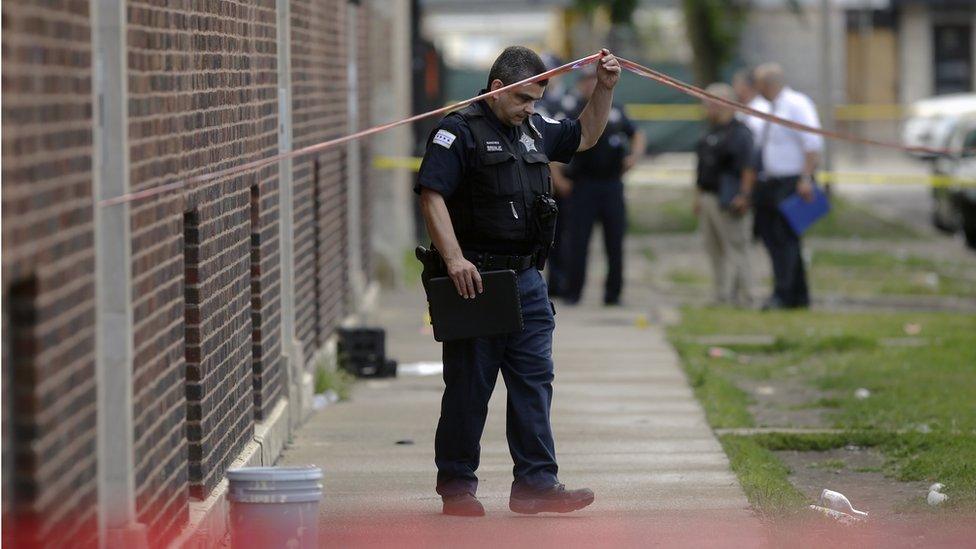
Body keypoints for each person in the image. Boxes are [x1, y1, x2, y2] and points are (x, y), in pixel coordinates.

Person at [414, 46, 621, 516]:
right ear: (497, 88)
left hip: (527, 280)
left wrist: (604, 88)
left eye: (537, 100)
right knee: (470, 386)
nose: (532, 108)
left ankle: (536, 485)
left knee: (533, 383)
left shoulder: (531, 128)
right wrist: (454, 259)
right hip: (477, 280)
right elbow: (432, 196)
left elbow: (585, 136)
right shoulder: (457, 131)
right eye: (525, 98)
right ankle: (457, 487)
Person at [560, 65, 645, 306]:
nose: (591, 84)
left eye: (594, 80)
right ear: (580, 84)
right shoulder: (571, 109)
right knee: (578, 242)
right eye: (587, 81)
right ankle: (573, 292)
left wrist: (634, 157)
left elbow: (637, 134)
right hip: (582, 185)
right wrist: (557, 178)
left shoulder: (616, 110)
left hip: (611, 185)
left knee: (615, 242)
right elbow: (553, 146)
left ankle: (613, 294)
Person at [753, 63, 823, 310]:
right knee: (776, 238)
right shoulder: (773, 106)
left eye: (759, 84)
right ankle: (795, 295)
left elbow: (812, 143)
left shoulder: (796, 104)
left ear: (769, 83)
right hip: (772, 182)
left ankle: (784, 294)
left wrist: (806, 178)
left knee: (785, 239)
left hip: (791, 181)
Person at [694, 83, 755, 307]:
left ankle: (745, 296)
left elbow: (748, 167)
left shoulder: (740, 133)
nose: (706, 108)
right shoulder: (710, 131)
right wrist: (697, 197)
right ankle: (720, 294)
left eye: (709, 103)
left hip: (729, 198)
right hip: (708, 196)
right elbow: (702, 167)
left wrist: (744, 195)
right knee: (714, 249)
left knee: (736, 247)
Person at [732, 68, 771, 140]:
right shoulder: (739, 110)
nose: (734, 89)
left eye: (736, 84)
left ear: (746, 87)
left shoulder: (762, 108)